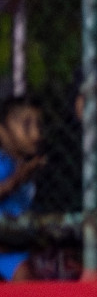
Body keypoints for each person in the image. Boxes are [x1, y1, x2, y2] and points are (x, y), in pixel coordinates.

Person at [0, 96, 45, 281]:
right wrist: (18, 179)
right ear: (2, 132)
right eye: (26, 126)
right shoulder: (3, 163)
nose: (36, 134)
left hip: (22, 245)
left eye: (39, 126)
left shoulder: (26, 165)